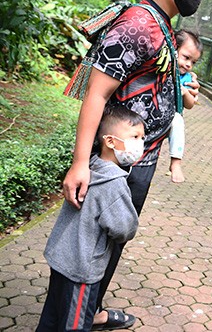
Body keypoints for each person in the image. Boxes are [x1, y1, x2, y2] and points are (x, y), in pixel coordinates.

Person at [61, 0, 205, 329]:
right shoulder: (139, 24)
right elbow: (97, 92)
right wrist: (80, 163)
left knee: (112, 239)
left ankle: (91, 311)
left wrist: (180, 95)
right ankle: (78, 316)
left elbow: (151, 81)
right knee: (96, 242)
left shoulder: (164, 26)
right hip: (117, 158)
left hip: (140, 156)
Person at [36, 105, 143, 332]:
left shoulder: (88, 166)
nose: (140, 143)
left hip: (61, 258)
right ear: (111, 142)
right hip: (81, 269)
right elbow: (123, 229)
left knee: (52, 317)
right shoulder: (114, 183)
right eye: (135, 136)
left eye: (142, 137)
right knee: (74, 324)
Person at [167, 29, 203, 183]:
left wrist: (184, 92)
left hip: (171, 113)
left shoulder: (187, 78)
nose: (188, 65)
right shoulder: (165, 66)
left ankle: (175, 163)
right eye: (186, 58)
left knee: (178, 122)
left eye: (193, 62)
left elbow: (189, 105)